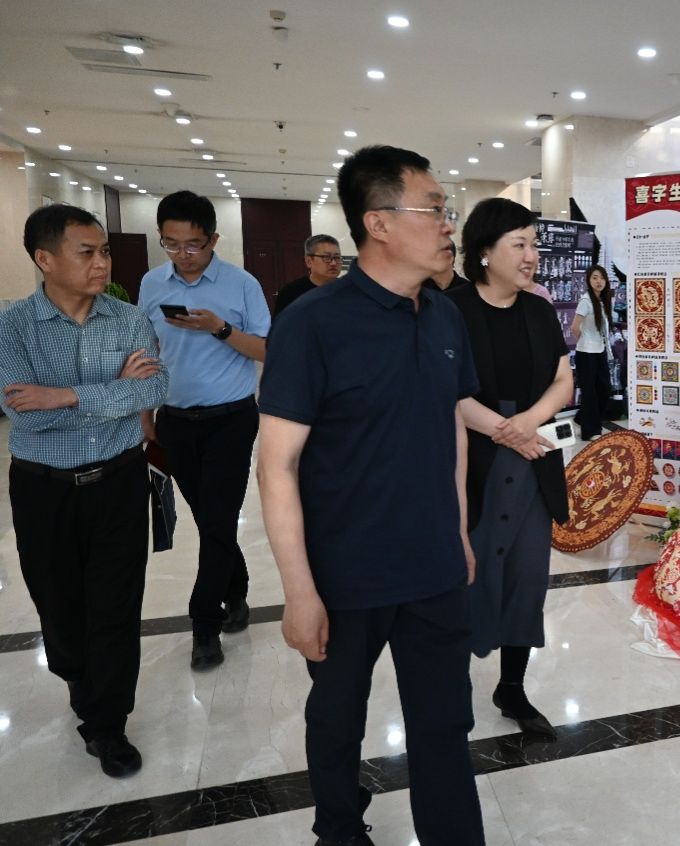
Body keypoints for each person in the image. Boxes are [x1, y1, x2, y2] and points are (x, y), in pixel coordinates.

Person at [258, 145, 484, 846]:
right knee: (336, 720)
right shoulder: (313, 323)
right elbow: (276, 466)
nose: (448, 224)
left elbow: (452, 425)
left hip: (434, 567)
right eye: (434, 209)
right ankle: (339, 830)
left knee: (445, 724)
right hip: (345, 572)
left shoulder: (444, 315)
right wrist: (299, 591)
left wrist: (459, 533)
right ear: (378, 223)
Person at [1, 204, 169, 777]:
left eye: (105, 251)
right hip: (42, 491)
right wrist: (112, 391)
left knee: (117, 606)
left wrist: (65, 394)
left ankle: (109, 723)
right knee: (60, 605)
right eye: (87, 252)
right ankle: (79, 680)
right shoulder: (12, 327)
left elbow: (155, 389)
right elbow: (23, 411)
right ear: (45, 259)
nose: (102, 263)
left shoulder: (128, 320)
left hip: (118, 482)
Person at [447, 197, 573, 741]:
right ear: (484, 252)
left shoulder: (539, 310)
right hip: (471, 461)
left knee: (526, 577)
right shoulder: (449, 309)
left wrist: (527, 423)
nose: (532, 255)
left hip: (532, 458)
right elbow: (446, 392)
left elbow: (563, 380)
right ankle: (450, 686)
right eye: (519, 244)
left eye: (534, 244)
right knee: (466, 574)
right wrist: (506, 430)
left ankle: (512, 687)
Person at [138, 190, 271, 671]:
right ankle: (237, 589)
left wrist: (220, 329)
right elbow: (148, 353)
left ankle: (204, 626)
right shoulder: (152, 283)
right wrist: (147, 417)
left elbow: (266, 350)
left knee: (217, 520)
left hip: (230, 420)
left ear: (213, 239)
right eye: (171, 244)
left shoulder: (241, 284)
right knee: (211, 520)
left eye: (192, 244)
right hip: (174, 421)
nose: (183, 254)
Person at [570, 264, 614, 440]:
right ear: (588, 280)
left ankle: (581, 418)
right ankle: (590, 431)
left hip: (600, 350)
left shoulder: (602, 300)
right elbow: (574, 327)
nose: (599, 281)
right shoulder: (586, 301)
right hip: (586, 353)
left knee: (605, 389)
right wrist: (585, 341)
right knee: (590, 393)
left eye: (602, 278)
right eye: (594, 278)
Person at [275, 234, 343, 316]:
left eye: (337, 257)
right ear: (309, 261)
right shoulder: (289, 293)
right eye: (326, 257)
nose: (333, 263)